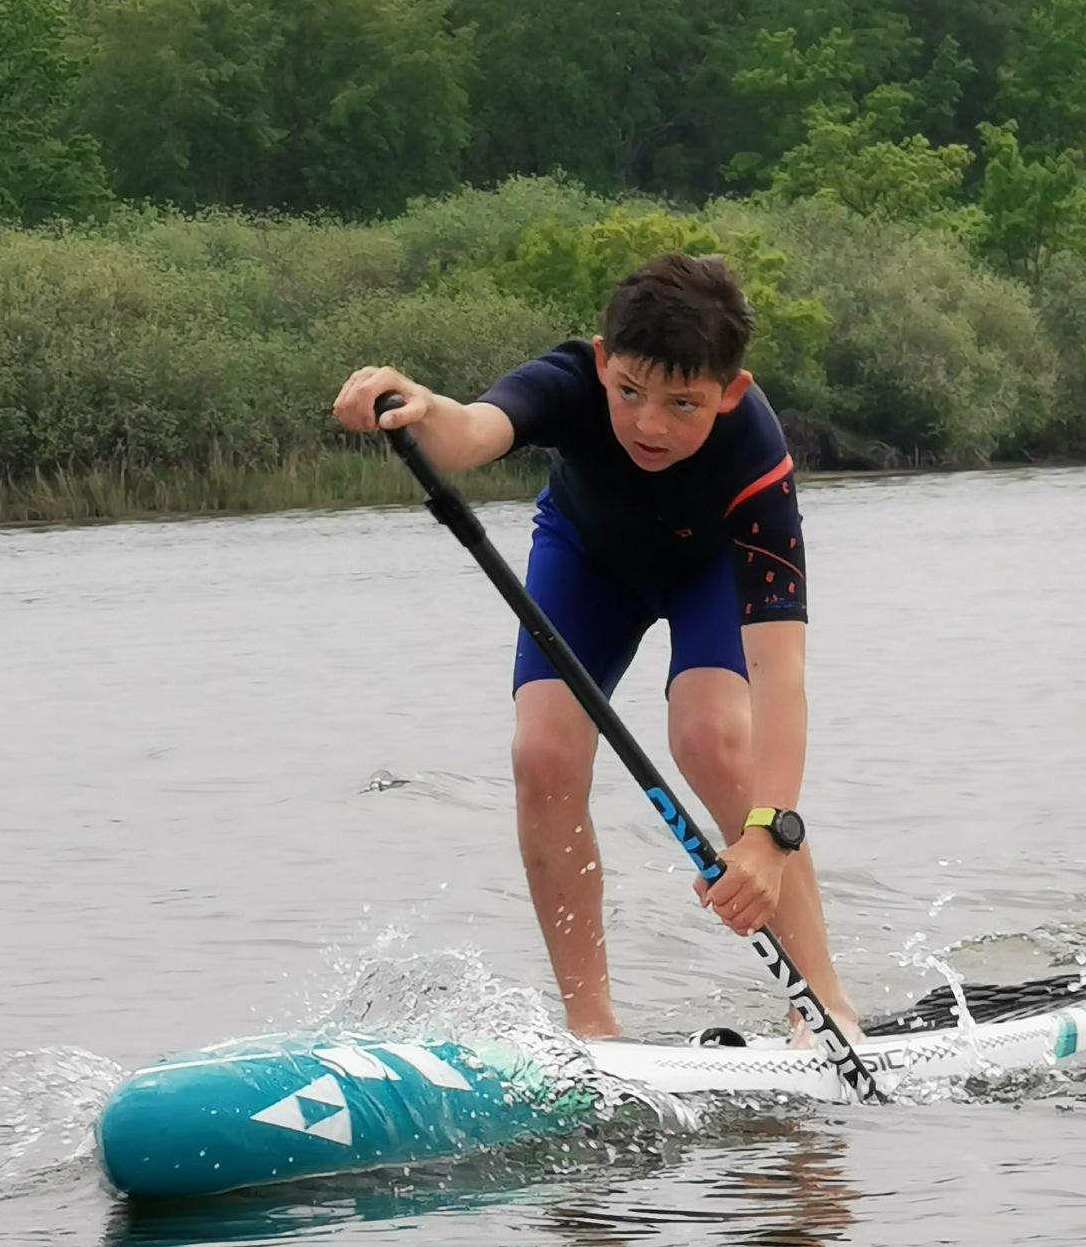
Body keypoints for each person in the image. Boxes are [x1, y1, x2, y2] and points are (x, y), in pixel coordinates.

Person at [332, 251, 860, 1046]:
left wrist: (768, 834)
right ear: (604, 361)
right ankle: (594, 1029)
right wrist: (413, 404)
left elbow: (779, 671)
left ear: (731, 393)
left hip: (707, 572)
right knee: (542, 754)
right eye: (630, 392)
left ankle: (823, 1006)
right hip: (589, 562)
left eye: (685, 404)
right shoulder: (570, 380)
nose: (651, 423)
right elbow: (471, 432)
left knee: (710, 737)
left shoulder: (756, 459)